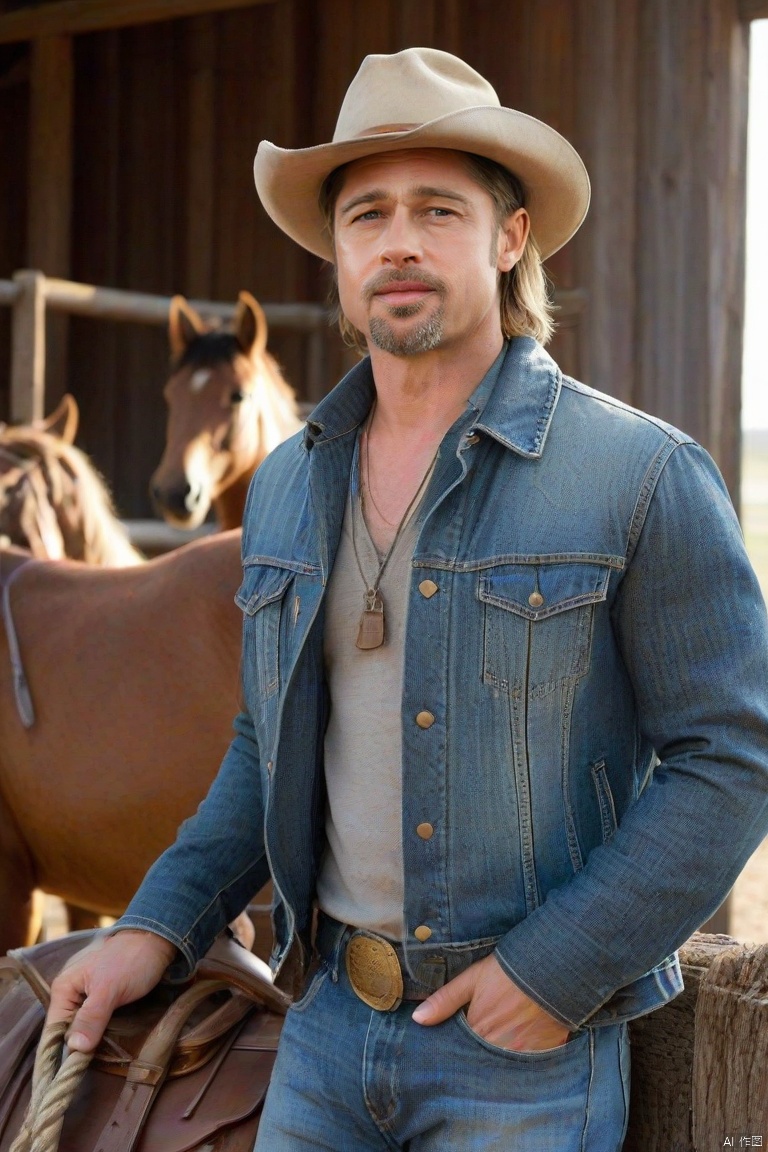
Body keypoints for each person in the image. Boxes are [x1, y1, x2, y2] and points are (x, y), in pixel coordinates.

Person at [47, 48, 768, 1150]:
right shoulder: (289, 485)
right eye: (368, 215)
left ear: (511, 236)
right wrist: (156, 924)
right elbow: (263, 744)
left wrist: (552, 971)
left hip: (523, 1057)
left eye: (440, 208)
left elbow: (733, 755)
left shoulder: (640, 476)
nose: (400, 242)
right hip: (328, 1032)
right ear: (335, 253)